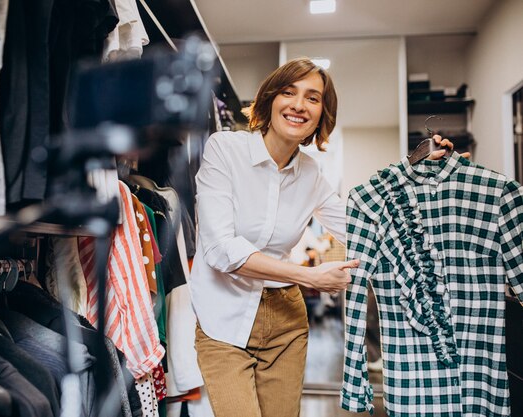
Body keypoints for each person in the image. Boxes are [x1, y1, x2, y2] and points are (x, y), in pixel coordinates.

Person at [189, 57, 456, 417]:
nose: (299, 105)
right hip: (222, 322)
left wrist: (419, 174)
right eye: (289, 92)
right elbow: (221, 250)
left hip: (286, 322)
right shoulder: (224, 149)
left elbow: (363, 226)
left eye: (313, 98)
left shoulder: (312, 173)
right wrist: (308, 276)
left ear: (322, 114)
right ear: (270, 100)